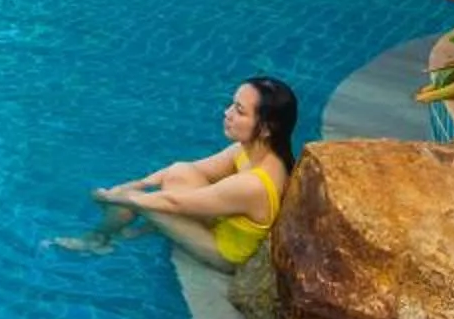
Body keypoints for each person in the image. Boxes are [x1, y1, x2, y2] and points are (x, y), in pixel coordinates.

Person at [86, 76, 298, 267]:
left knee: (139, 202)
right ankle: (146, 228)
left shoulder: (253, 185)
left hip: (224, 255)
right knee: (179, 171)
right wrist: (140, 183)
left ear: (266, 129)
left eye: (240, 111)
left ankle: (95, 240)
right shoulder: (252, 151)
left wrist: (114, 197)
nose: (227, 113)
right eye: (232, 105)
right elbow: (193, 169)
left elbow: (173, 203)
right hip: (224, 224)